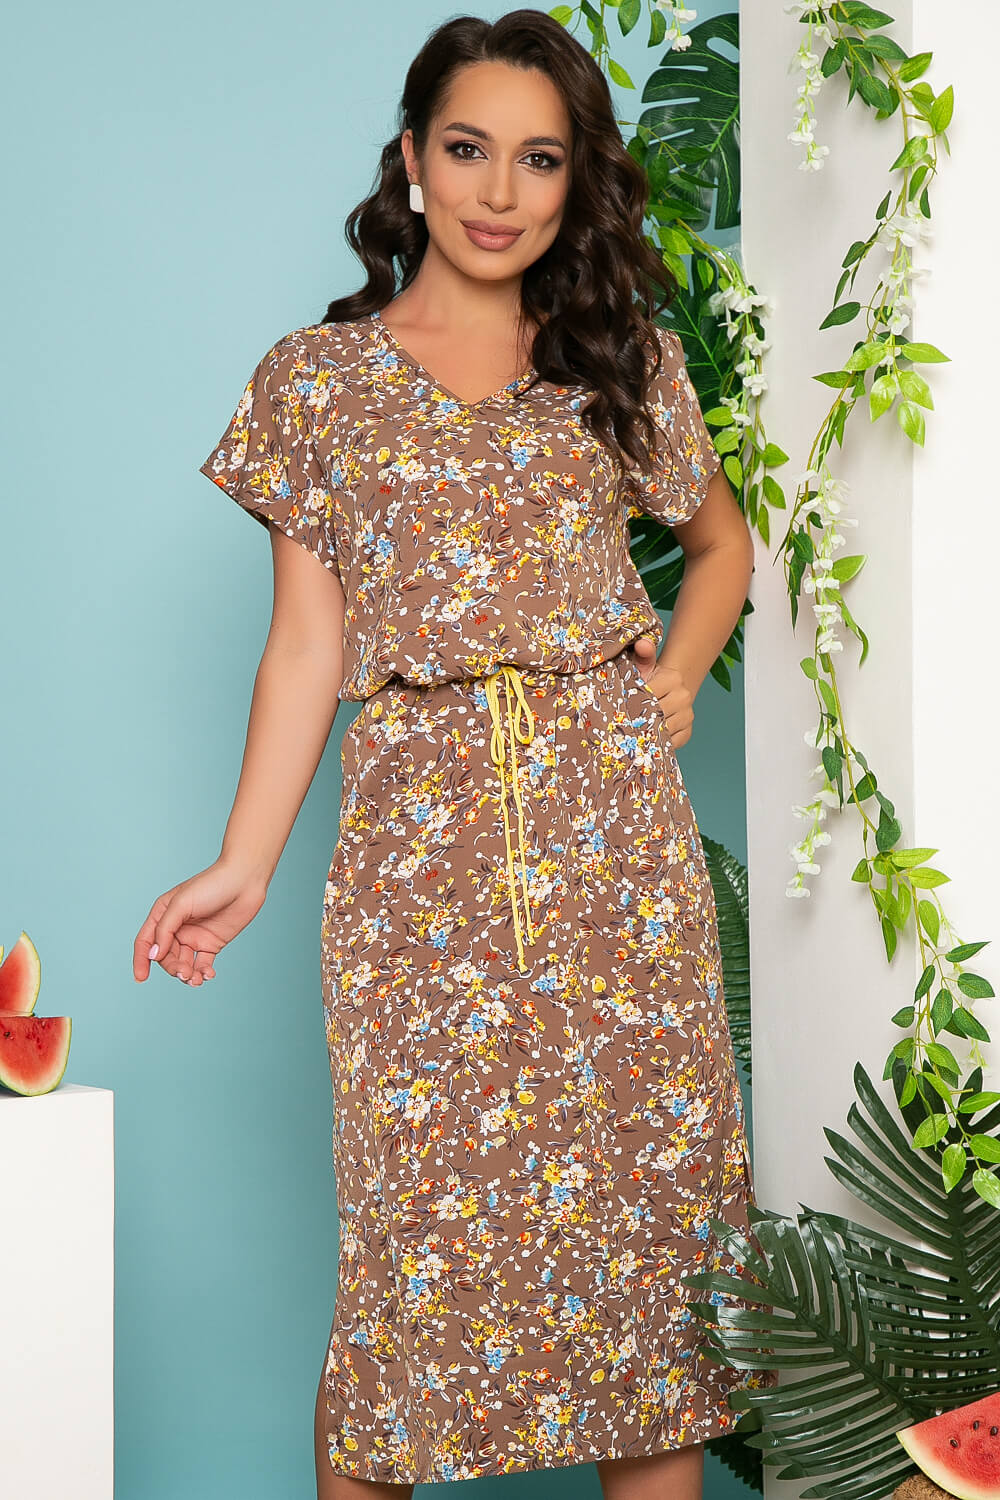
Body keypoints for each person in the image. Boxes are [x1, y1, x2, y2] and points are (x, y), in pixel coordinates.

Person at [133, 9, 775, 1497]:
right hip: (417, 880)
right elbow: (306, 649)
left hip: (616, 862)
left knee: (645, 1285)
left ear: (574, 181)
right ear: (412, 162)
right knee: (405, 1284)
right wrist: (243, 864)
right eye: (469, 149)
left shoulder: (617, 361)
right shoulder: (317, 381)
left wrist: (676, 677)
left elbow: (722, 545)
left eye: (539, 159)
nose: (499, 191)